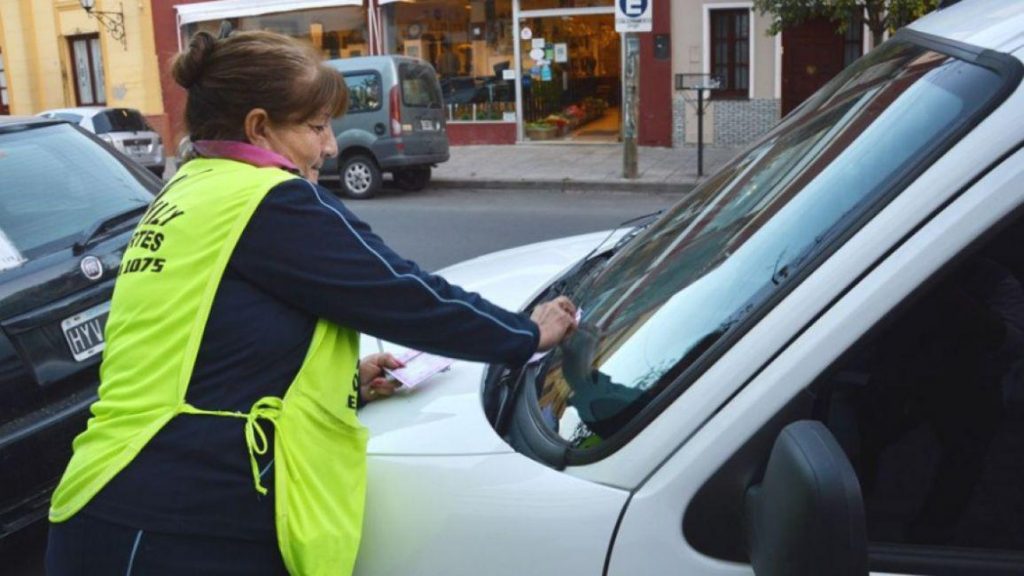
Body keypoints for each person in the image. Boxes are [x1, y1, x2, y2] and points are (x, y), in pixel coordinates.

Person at [45, 30, 577, 576]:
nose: (330, 146)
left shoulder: (188, 190)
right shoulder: (269, 201)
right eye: (316, 126)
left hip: (122, 503)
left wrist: (345, 384)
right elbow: (406, 294)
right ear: (259, 127)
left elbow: (207, 352)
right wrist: (525, 335)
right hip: (176, 526)